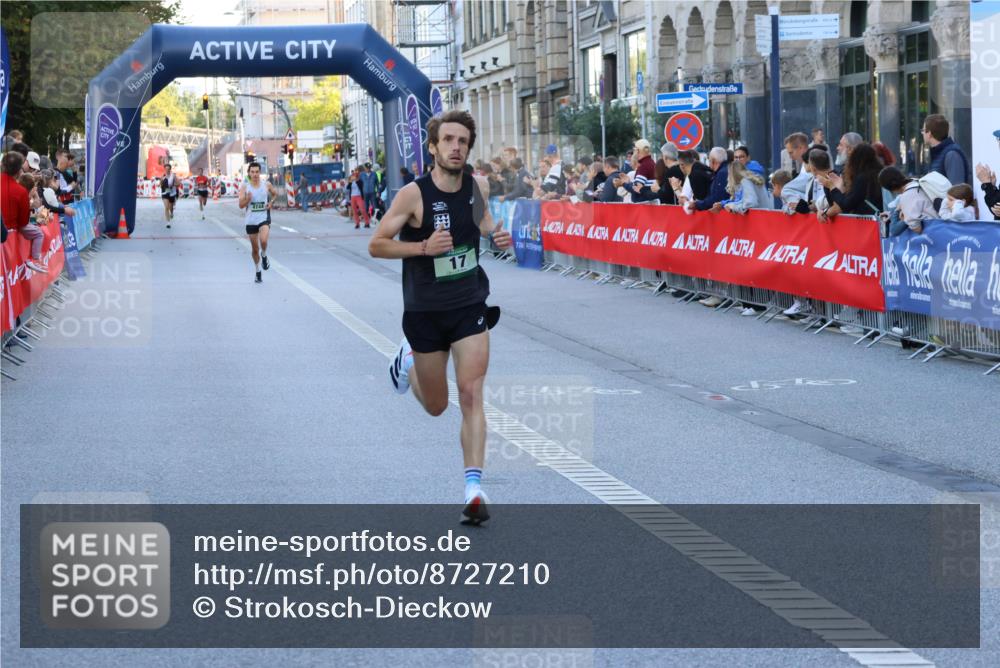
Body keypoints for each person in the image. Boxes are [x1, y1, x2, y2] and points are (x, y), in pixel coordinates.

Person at [368, 110, 512, 525]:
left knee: (471, 394)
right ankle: (407, 361)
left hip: (469, 304)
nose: (455, 147)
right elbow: (377, 244)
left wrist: (495, 236)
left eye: (462, 141)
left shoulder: (478, 185)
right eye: (447, 140)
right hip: (425, 311)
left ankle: (474, 489)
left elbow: (483, 224)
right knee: (437, 405)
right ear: (432, 147)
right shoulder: (413, 195)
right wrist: (422, 249)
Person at [1, 153, 46, 273]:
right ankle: (34, 259)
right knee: (39, 233)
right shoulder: (21, 191)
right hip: (8, 233)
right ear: (19, 169)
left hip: (7, 232)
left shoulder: (20, 189)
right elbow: (23, 221)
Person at [817, 143, 884, 221]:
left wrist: (832, 187)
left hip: (868, 223)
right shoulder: (879, 173)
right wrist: (841, 189)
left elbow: (846, 205)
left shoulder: (862, 178)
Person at [238, 161, 277, 283]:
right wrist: (247, 199)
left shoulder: (266, 184)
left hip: (263, 218)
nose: (255, 174)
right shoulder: (245, 187)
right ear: (249, 173)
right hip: (251, 221)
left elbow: (275, 194)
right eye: (252, 172)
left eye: (257, 172)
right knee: (255, 250)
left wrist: (271, 203)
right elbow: (240, 205)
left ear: (260, 172)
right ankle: (258, 271)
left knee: (264, 240)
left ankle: (264, 255)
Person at [878, 166, 938, 235]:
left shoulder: (907, 195)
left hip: (933, 232)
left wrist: (903, 217)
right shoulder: (915, 182)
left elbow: (917, 229)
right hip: (939, 224)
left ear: (889, 189)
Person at [923, 114, 972, 186]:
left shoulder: (952, 154)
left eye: (923, 130)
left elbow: (957, 190)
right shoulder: (938, 153)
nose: (922, 133)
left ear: (929, 133)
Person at [693, 147, 730, 211]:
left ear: (713, 161)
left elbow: (717, 198)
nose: (708, 163)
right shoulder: (725, 170)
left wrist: (697, 204)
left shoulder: (722, 173)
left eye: (709, 160)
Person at [160, 163, 178, 227]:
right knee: (166, 207)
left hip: (172, 193)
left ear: (170, 169)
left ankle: (172, 213)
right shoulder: (163, 176)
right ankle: (168, 222)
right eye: (166, 169)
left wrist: (172, 185)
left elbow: (178, 183)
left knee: (171, 208)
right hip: (165, 193)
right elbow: (160, 185)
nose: (167, 170)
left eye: (168, 169)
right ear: (164, 169)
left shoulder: (173, 176)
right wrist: (162, 183)